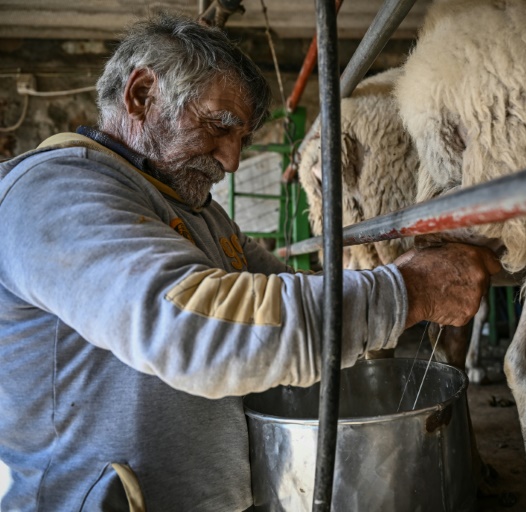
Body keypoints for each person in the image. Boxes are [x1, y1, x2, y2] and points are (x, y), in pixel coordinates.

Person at [0, 13, 499, 511]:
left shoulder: (198, 213)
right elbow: (190, 326)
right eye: (220, 125)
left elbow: (276, 289)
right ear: (142, 94)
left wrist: (396, 279)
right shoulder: (53, 192)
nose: (232, 160)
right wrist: (406, 291)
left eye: (241, 138)